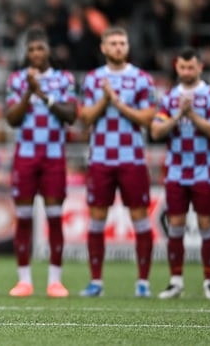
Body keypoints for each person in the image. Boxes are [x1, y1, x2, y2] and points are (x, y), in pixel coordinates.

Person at [78, 27, 156, 298]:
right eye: (113, 43)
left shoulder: (141, 79)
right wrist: (104, 98)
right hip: (100, 158)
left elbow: (148, 119)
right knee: (97, 219)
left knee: (140, 218)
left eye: (122, 42)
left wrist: (118, 103)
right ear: (103, 48)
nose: (119, 47)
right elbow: (86, 117)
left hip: (132, 158)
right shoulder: (93, 79)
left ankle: (143, 283)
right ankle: (96, 282)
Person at [4, 27, 77, 298]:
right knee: (23, 217)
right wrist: (28, 93)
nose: (36, 53)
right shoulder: (16, 80)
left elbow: (70, 114)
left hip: (53, 156)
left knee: (55, 217)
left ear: (48, 51)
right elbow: (12, 118)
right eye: (31, 49)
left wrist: (44, 95)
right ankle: (24, 281)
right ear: (27, 53)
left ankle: (55, 281)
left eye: (40, 48)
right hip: (25, 156)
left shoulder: (63, 79)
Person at [150, 48, 210, 300]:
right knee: (176, 227)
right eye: (183, 67)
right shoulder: (169, 99)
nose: (187, 71)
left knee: (206, 226)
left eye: (191, 67)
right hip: (176, 172)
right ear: (176, 67)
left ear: (200, 67)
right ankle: (176, 281)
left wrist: (191, 114)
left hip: (204, 172)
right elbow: (156, 132)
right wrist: (179, 115)